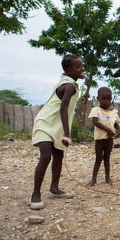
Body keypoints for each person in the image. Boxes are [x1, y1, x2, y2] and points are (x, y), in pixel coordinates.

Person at [30, 54, 85, 210]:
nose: (82, 68)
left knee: (58, 155)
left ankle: (54, 188)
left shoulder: (68, 83)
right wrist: (67, 134)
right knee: (46, 156)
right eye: (78, 66)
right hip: (44, 123)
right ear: (68, 69)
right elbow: (63, 108)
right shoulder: (69, 86)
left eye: (82, 65)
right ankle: (35, 195)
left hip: (56, 125)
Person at [87, 87, 120, 186]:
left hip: (109, 139)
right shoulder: (95, 110)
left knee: (107, 158)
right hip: (99, 139)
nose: (106, 101)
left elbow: (116, 123)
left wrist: (118, 130)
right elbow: (95, 122)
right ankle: (93, 179)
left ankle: (107, 178)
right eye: (104, 99)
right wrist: (108, 130)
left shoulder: (114, 112)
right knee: (98, 158)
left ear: (111, 99)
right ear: (98, 99)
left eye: (108, 99)